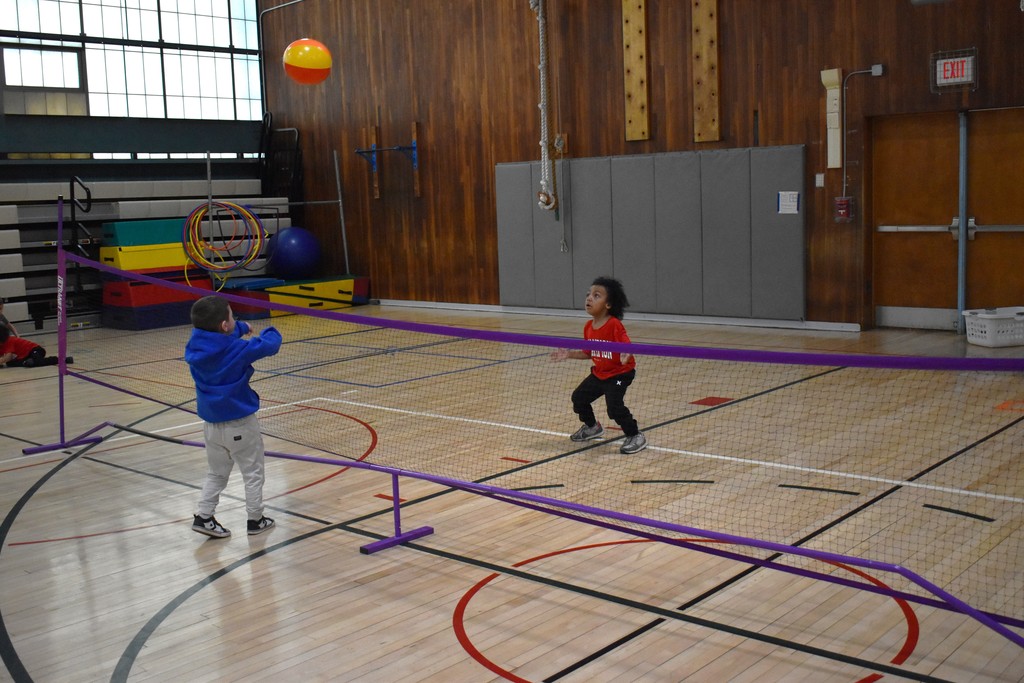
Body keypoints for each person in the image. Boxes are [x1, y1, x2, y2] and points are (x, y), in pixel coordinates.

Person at [185, 295, 282, 538]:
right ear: (224, 325)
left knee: (216, 473)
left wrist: (241, 327)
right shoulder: (238, 350)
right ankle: (256, 519)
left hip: (211, 426)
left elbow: (218, 338)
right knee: (253, 473)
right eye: (232, 317)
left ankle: (204, 516)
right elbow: (269, 344)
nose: (234, 320)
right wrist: (272, 330)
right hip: (240, 424)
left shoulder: (195, 347)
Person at [551, 276, 648, 454]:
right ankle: (592, 427)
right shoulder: (588, 327)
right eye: (588, 294)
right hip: (600, 374)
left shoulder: (614, 325)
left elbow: (626, 344)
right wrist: (569, 354)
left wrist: (626, 352)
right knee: (579, 398)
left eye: (596, 296)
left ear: (608, 304)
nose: (589, 298)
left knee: (614, 406)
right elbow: (589, 353)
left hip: (620, 375)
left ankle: (635, 435)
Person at [0, 326, 67, 368]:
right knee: (10, 363)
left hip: (35, 350)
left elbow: (9, 356)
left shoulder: (9, 340)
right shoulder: (1, 344)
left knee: (38, 361)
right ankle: (27, 362)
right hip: (25, 356)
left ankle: (62, 359)